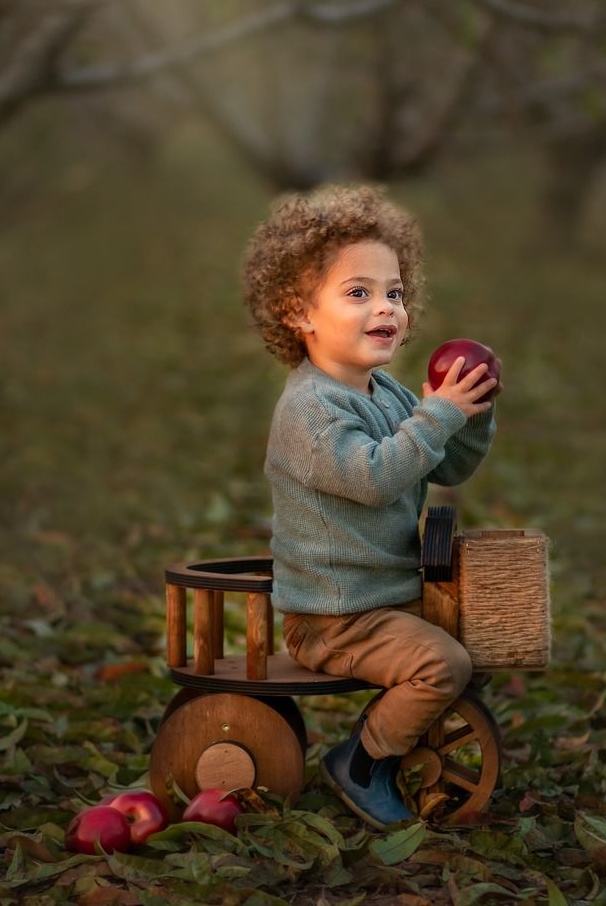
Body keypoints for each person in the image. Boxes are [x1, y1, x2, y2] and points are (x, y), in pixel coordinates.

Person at [242, 184, 500, 828]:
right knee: (443, 662)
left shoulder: (384, 391)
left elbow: (447, 466)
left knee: (480, 641)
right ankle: (361, 762)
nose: (385, 307)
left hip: (383, 597)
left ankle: (402, 734)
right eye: (358, 293)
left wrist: (467, 415)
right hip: (333, 615)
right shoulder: (309, 410)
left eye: (395, 293)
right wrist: (436, 415)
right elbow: (377, 477)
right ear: (298, 312)